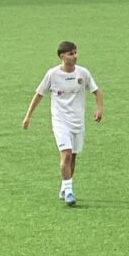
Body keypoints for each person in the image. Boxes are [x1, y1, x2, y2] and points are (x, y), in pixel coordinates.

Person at [21, 41, 104, 207]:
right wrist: (28, 116)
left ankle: (64, 187)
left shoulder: (83, 73)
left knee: (72, 157)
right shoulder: (52, 74)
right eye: (70, 53)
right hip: (60, 121)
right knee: (65, 154)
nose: (74, 56)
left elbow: (96, 92)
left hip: (77, 121)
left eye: (75, 52)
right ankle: (69, 191)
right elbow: (38, 94)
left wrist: (99, 109)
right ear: (62, 56)